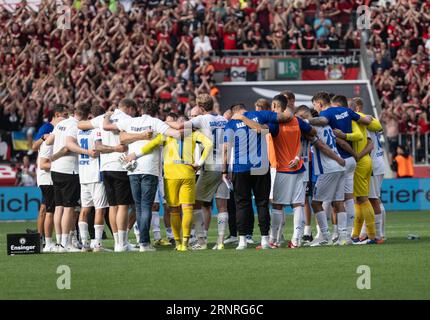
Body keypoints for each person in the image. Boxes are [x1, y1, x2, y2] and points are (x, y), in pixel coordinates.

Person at [131, 115, 213, 251]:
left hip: (170, 175)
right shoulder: (193, 133)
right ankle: (185, 243)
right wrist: (199, 163)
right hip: (188, 172)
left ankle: (178, 243)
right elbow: (209, 144)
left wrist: (134, 155)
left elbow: (149, 146)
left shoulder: (166, 134)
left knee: (174, 210)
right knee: (187, 208)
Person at [110, 101, 181, 252]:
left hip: (133, 168)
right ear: (157, 111)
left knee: (138, 206)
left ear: (141, 110)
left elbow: (114, 131)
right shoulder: (156, 122)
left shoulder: (130, 121)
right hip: (149, 168)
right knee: (146, 205)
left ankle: (142, 241)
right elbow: (175, 134)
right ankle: (144, 243)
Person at [223, 100, 293, 250]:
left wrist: (224, 170)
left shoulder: (231, 123)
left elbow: (225, 149)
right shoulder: (260, 115)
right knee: (262, 203)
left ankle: (242, 241)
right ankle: (265, 240)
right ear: (244, 109)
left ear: (235, 112)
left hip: (240, 168)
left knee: (242, 204)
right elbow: (287, 116)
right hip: (261, 166)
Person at [165, 94, 229, 250]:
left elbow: (181, 127)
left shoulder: (202, 119)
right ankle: (220, 241)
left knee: (194, 204)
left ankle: (201, 241)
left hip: (210, 165)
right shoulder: (223, 120)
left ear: (201, 108)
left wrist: (165, 122)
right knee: (222, 205)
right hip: (225, 165)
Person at [309, 92, 372, 244]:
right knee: (347, 198)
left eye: (315, 106)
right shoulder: (346, 111)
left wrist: (306, 120)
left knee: (325, 200)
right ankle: (345, 235)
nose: (316, 109)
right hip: (350, 159)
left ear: (319, 103)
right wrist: (369, 118)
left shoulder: (325, 114)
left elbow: (323, 120)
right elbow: (366, 120)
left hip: (337, 159)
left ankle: (325, 235)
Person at [78, 99, 136, 252]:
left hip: (105, 168)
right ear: (129, 109)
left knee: (112, 206)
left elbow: (80, 125)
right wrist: (118, 148)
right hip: (121, 166)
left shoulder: (102, 118)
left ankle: (118, 242)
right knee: (123, 206)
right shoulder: (127, 120)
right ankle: (122, 244)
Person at [331, 95, 383, 245]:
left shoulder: (353, 119)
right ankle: (355, 234)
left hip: (360, 162)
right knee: (358, 200)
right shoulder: (361, 118)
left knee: (363, 199)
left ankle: (373, 236)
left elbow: (359, 136)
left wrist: (343, 135)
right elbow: (373, 135)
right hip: (366, 161)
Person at [295, 105, 347, 246]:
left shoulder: (313, 128)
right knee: (338, 202)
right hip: (339, 168)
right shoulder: (326, 125)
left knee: (316, 203)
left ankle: (325, 236)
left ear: (303, 116)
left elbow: (323, 147)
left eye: (299, 117)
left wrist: (337, 159)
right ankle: (344, 237)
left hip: (328, 168)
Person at [65, 105, 109, 252]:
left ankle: (84, 244)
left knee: (84, 210)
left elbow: (70, 144)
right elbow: (98, 148)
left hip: (83, 175)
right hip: (96, 174)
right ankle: (97, 244)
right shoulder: (97, 130)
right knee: (99, 210)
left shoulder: (79, 131)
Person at [46, 105, 84, 253]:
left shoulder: (60, 124)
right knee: (68, 208)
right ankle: (64, 244)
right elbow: (69, 147)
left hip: (56, 170)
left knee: (58, 207)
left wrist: (54, 155)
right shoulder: (74, 126)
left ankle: (58, 242)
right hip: (69, 170)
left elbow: (49, 141)